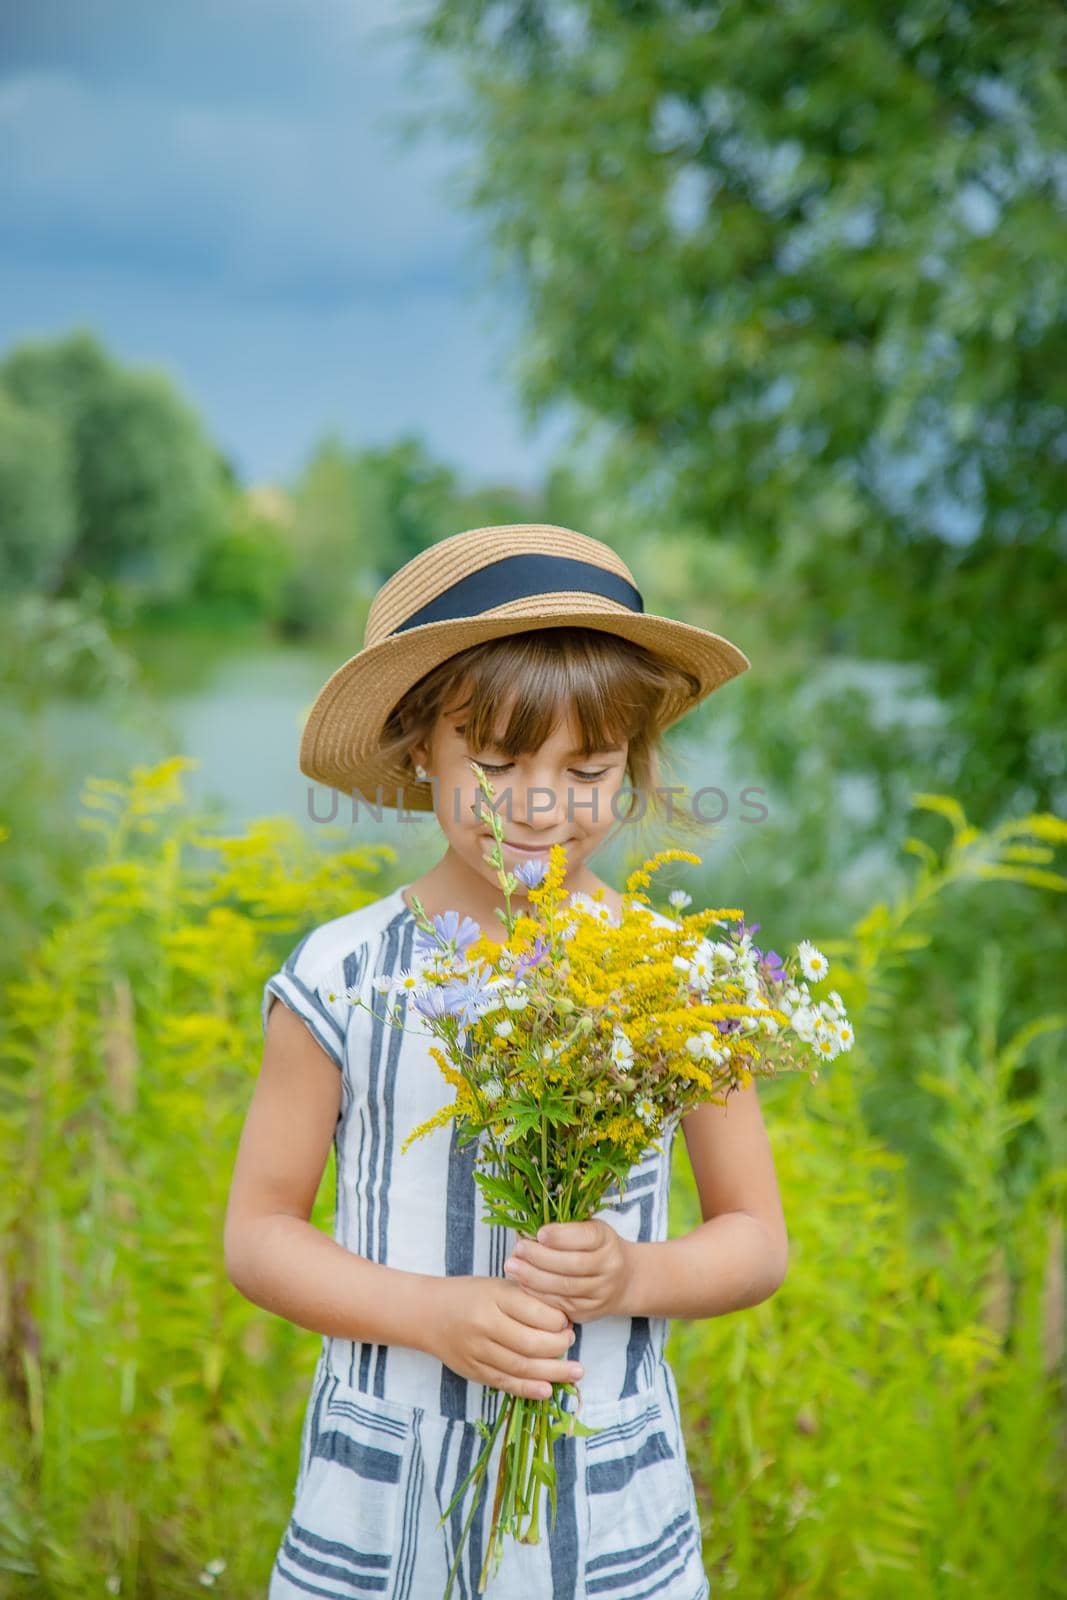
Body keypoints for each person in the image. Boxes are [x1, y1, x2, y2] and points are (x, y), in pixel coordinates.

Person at [223, 523, 791, 1599]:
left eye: (588, 769)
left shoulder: (672, 980)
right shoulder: (341, 972)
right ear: (417, 751)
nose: (539, 806)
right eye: (493, 764)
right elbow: (258, 1234)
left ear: (632, 763)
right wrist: (427, 1313)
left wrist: (635, 1274)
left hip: (601, 1493)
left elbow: (755, 1239)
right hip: (387, 1492)